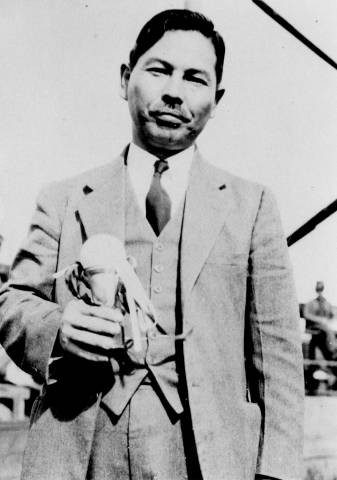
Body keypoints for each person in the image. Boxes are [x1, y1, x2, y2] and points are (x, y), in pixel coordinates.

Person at [0, 9, 304, 480]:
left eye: (195, 78)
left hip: (207, 458)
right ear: (126, 79)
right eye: (159, 69)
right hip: (77, 454)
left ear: (216, 99)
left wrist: (276, 471)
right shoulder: (62, 199)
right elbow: (12, 301)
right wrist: (58, 327)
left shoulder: (253, 206)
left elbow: (279, 358)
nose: (174, 92)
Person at [303, 281, 337, 392]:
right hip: (314, 333)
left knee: (329, 356)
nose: (320, 292)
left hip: (324, 336)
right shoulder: (311, 303)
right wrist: (319, 320)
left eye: (321, 289)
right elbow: (306, 314)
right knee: (311, 359)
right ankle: (311, 384)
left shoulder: (327, 303)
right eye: (318, 289)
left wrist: (328, 319)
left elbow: (332, 314)